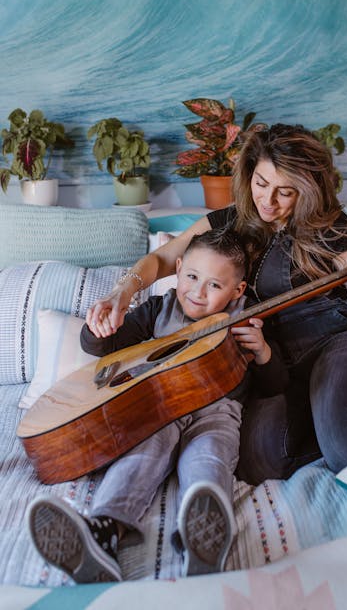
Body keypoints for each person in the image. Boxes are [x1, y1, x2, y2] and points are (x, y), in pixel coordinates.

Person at [84, 123, 347, 486]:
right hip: (278, 367)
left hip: (345, 349)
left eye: (285, 192)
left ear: (307, 189)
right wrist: (123, 291)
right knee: (257, 461)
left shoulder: (334, 230)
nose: (268, 201)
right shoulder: (230, 220)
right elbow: (160, 260)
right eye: (261, 184)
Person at [27, 229, 288, 583]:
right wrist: (99, 329)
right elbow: (107, 350)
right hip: (159, 409)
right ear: (177, 269)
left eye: (214, 286)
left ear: (236, 291)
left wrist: (263, 352)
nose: (197, 292)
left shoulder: (249, 318)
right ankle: (102, 533)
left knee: (210, 457)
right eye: (192, 277)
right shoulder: (157, 309)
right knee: (141, 456)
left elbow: (276, 384)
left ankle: (206, 538)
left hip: (218, 410)